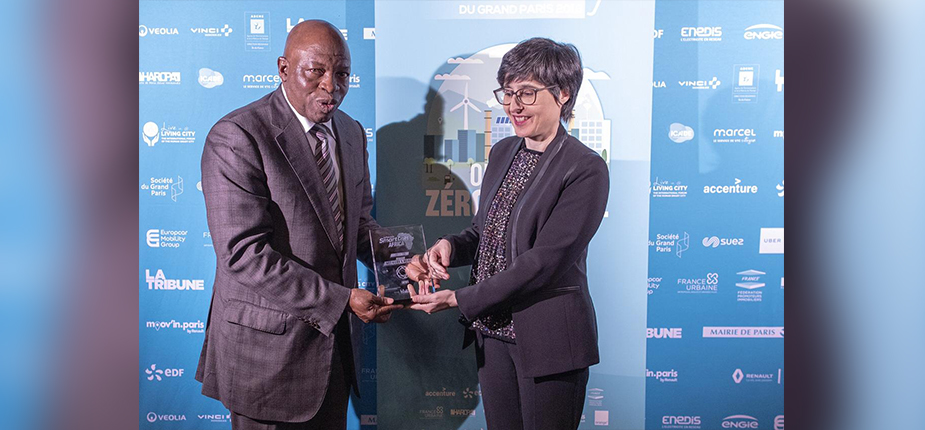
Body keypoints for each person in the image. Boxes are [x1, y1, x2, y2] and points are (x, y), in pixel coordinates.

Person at [194, 20, 402, 430]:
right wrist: (343, 300)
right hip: (265, 360)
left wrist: (400, 259)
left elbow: (358, 225)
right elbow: (244, 255)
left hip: (334, 355)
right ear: (284, 69)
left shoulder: (351, 132)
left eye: (342, 74)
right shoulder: (238, 136)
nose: (331, 86)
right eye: (316, 71)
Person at [405, 37, 609, 430]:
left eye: (527, 93)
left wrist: (459, 298)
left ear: (564, 94)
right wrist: (449, 247)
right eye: (508, 92)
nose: (514, 105)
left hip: (549, 342)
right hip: (492, 335)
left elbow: (543, 262)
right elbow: (486, 232)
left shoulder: (585, 168)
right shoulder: (502, 152)